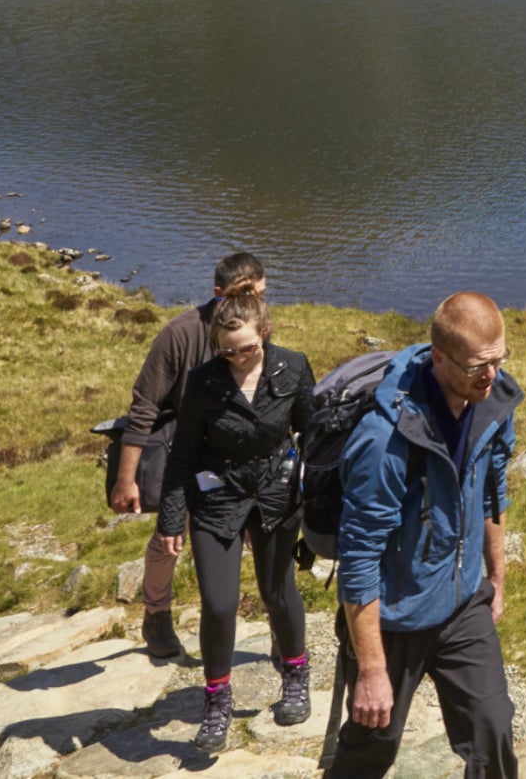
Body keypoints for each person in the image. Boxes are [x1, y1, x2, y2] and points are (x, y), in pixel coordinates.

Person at [331, 293, 523, 779]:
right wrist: (371, 670)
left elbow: (492, 494)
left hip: (463, 605)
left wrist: (496, 579)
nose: (492, 376)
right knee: (372, 746)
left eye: (499, 360)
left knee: (493, 728)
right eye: (479, 366)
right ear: (439, 357)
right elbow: (358, 559)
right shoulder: (383, 441)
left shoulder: (493, 403)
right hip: (394, 618)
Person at [153, 292, 316, 753]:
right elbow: (181, 457)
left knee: (278, 592)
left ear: (264, 332)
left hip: (275, 495)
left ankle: (296, 673)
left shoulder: (294, 367)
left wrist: (323, 496)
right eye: (227, 351)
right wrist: (170, 521)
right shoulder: (201, 382)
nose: (238, 358)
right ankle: (217, 699)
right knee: (220, 603)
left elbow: (314, 433)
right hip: (217, 496)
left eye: (247, 348)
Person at [113, 250, 267, 662]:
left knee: (249, 537)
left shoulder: (259, 331)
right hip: (180, 458)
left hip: (234, 460)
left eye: (260, 293)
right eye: (243, 292)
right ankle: (157, 614)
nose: (252, 300)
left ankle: (264, 619)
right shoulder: (179, 334)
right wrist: (126, 480)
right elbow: (144, 406)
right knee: (169, 540)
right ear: (218, 293)